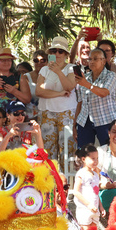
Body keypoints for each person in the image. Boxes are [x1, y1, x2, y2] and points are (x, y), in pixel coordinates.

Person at [36, 36, 77, 168]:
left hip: (67, 114)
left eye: (60, 51)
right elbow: (39, 91)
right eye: (54, 51)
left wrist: (58, 71)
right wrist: (59, 94)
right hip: (47, 113)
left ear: (65, 54)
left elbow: (69, 87)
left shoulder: (72, 68)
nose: (57, 54)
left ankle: (68, 184)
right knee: (48, 150)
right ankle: (51, 183)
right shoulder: (44, 70)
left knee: (68, 149)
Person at [75, 48, 116, 148]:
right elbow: (80, 103)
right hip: (84, 121)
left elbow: (104, 92)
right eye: (90, 59)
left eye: (95, 59)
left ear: (103, 61)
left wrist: (87, 85)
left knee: (109, 153)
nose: (92, 61)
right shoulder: (85, 77)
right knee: (84, 154)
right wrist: (75, 125)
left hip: (105, 121)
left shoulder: (111, 76)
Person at [73, 145, 103, 230]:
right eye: (93, 158)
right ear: (83, 159)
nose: (96, 161)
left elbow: (96, 193)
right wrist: (88, 204)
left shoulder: (96, 175)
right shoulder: (81, 174)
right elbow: (76, 192)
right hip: (84, 210)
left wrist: (101, 207)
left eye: (97, 158)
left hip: (94, 209)